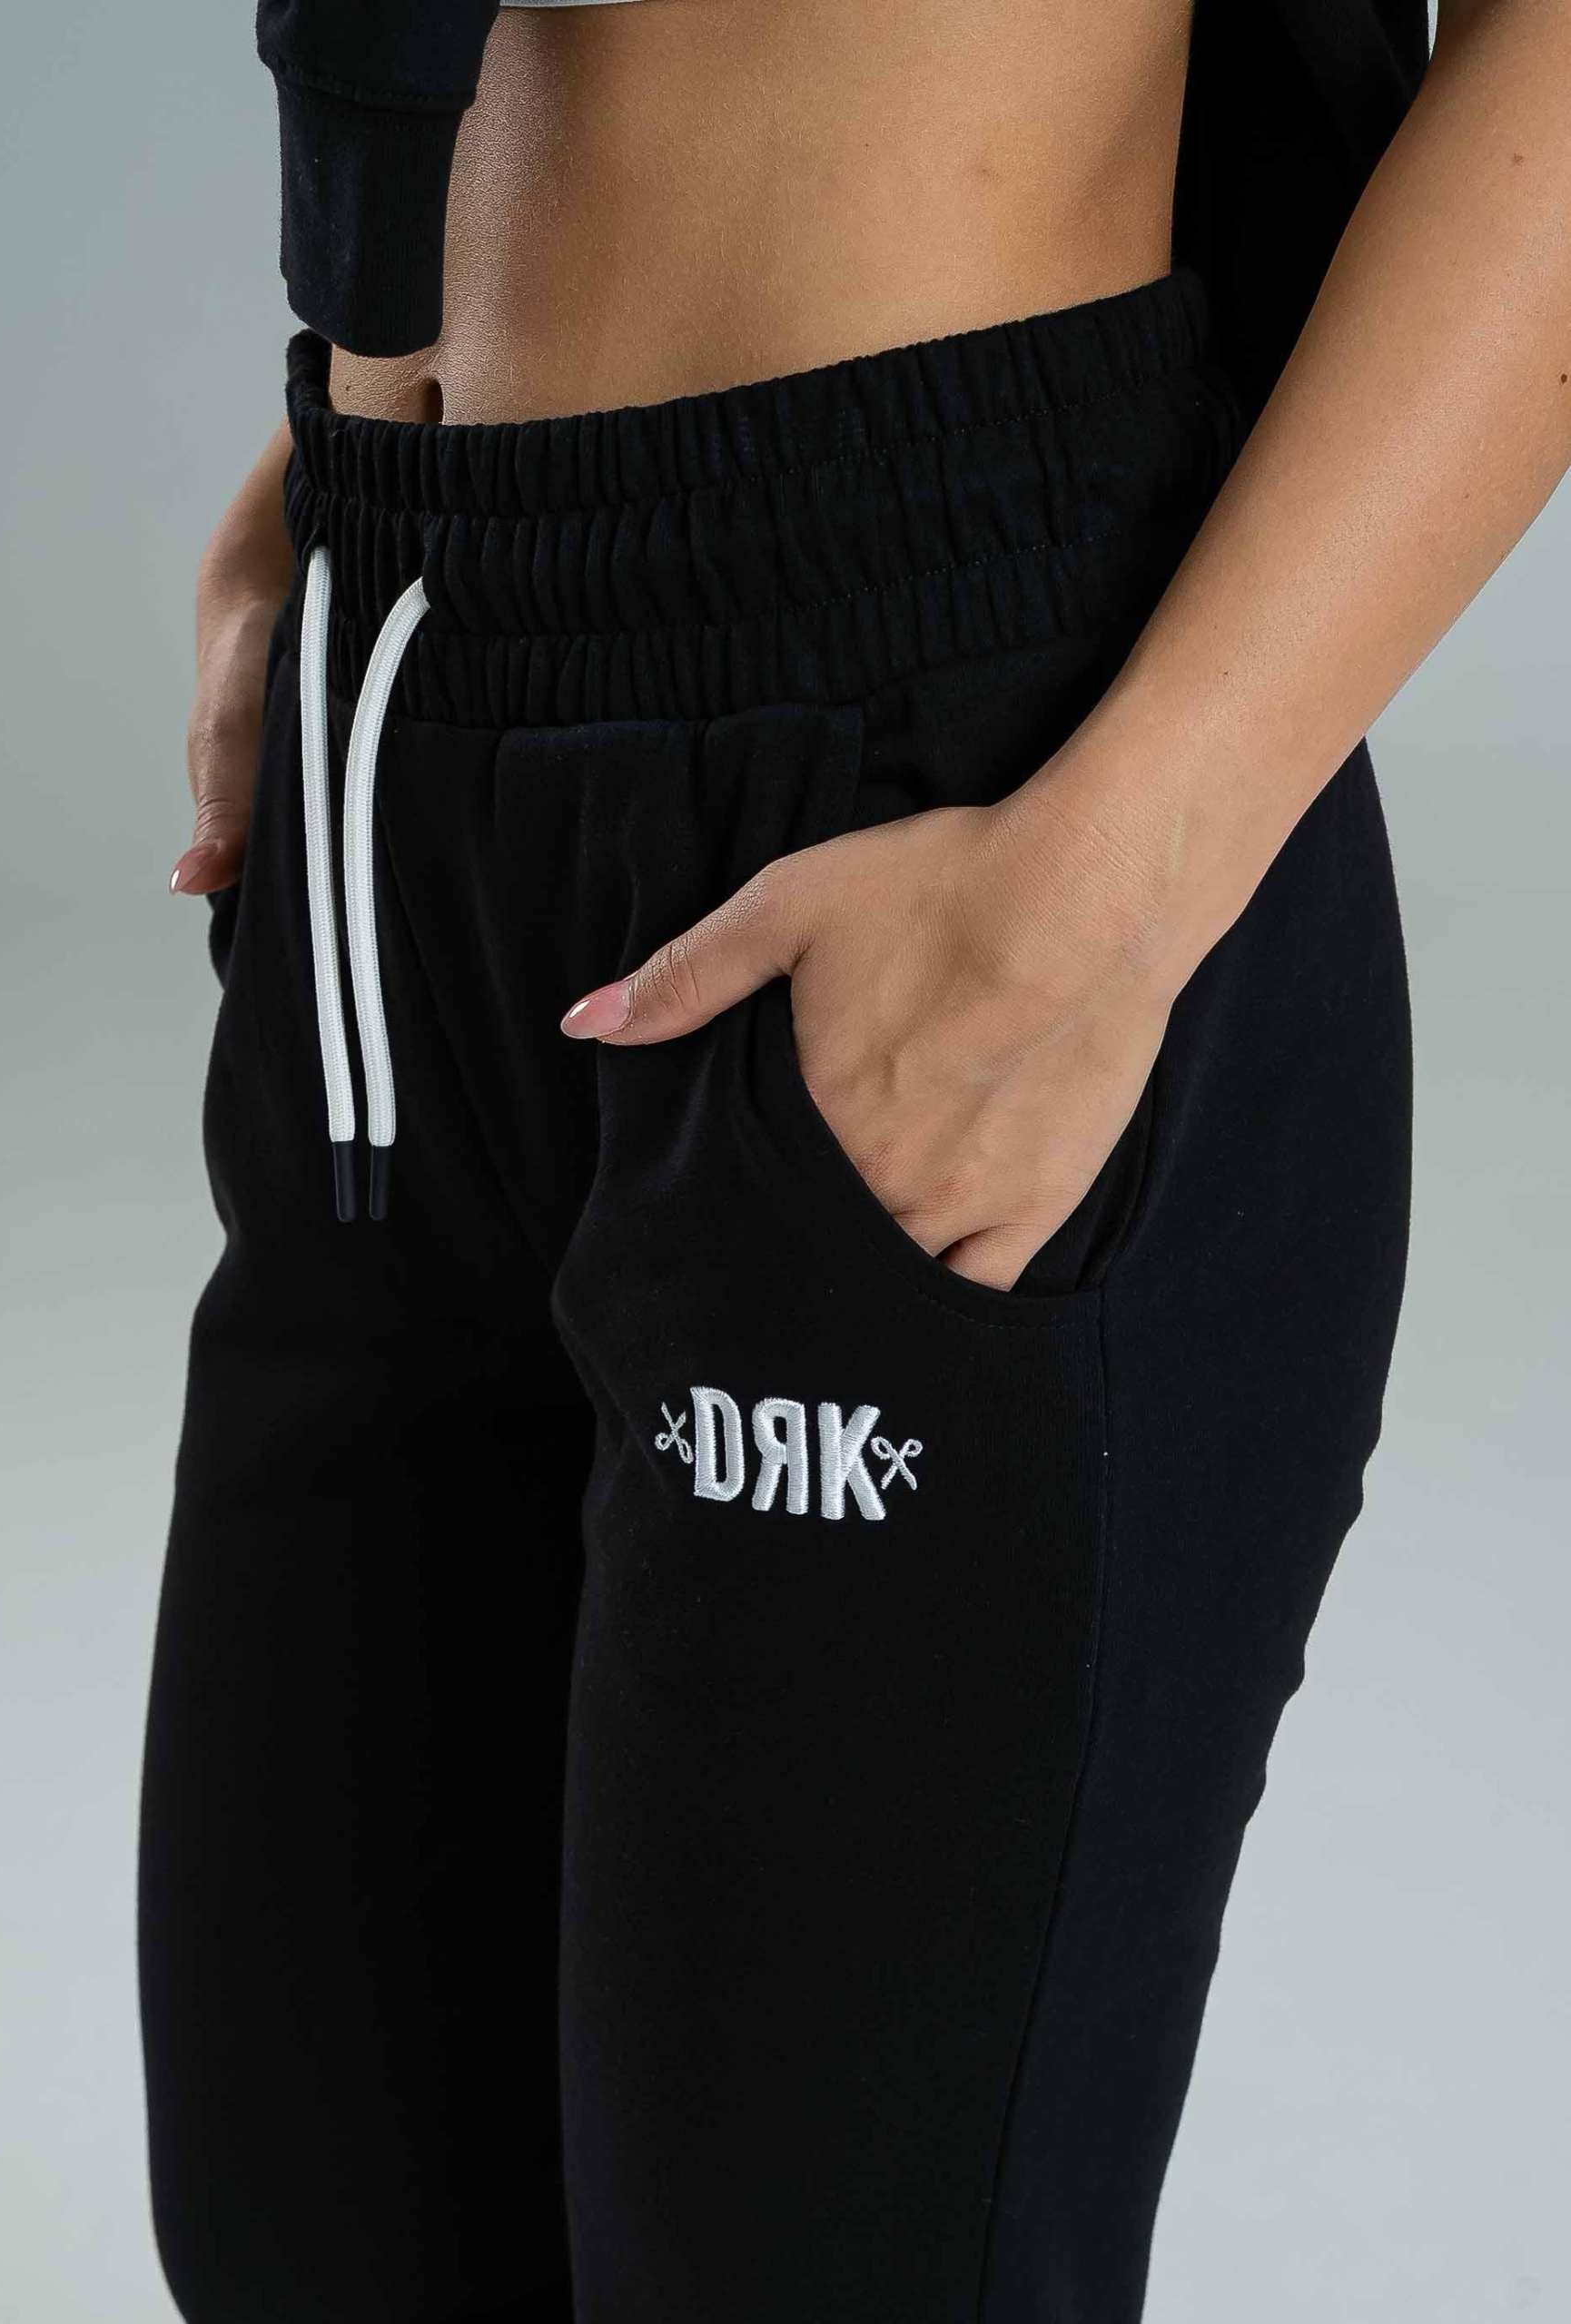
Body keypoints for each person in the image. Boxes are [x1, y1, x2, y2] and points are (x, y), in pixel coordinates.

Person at [137, 1, 1571, 2317]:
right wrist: (338, 472)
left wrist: (1112, 881)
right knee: (311, 2238)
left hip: (936, 770)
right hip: (403, 748)